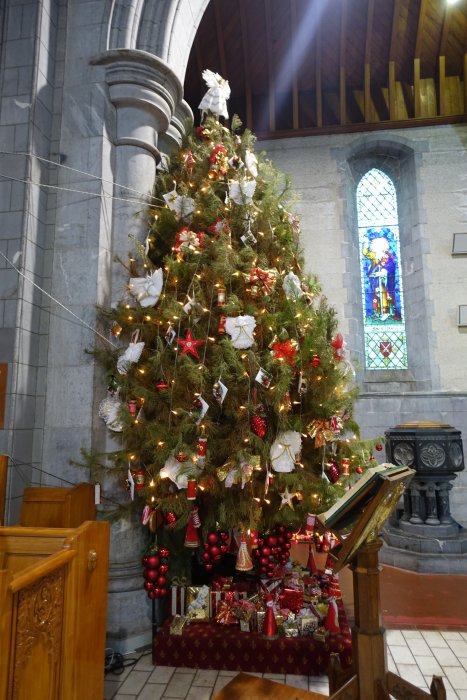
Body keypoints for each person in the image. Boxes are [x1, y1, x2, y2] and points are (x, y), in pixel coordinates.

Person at [362, 235, 397, 321]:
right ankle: (378, 312)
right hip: (375, 280)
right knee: (377, 295)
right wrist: (366, 244)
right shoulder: (374, 255)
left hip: (385, 281)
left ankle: (386, 312)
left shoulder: (387, 257)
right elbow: (366, 253)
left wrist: (383, 271)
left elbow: (391, 265)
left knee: (384, 295)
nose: (376, 249)